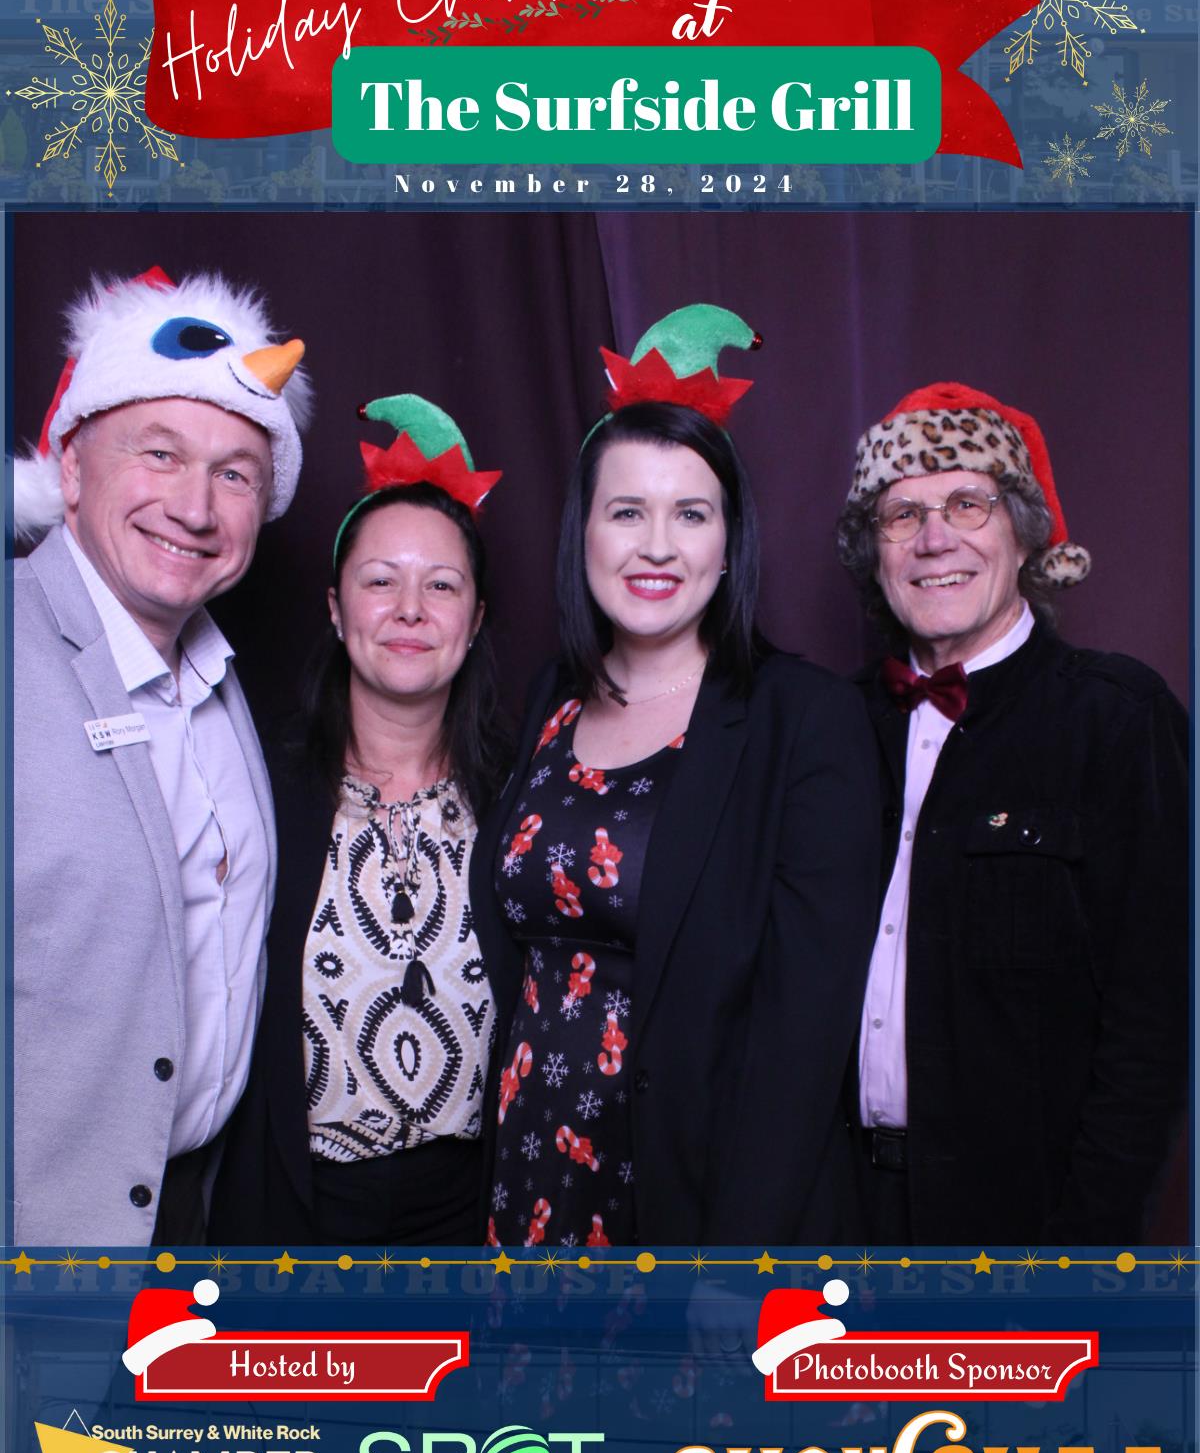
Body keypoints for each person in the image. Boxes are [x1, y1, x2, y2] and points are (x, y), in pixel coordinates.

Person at [473, 304, 880, 1249]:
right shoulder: (551, 701)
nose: (657, 545)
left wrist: (733, 1265)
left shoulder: (803, 720)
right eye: (627, 512)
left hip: (693, 1195)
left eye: (690, 515)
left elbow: (806, 1032)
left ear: (729, 544)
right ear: (584, 534)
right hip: (530, 1165)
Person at [836, 380, 1188, 1246]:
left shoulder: (1117, 717)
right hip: (839, 1215)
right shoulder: (831, 725)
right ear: (874, 554)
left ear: (1025, 533)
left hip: (1024, 1228)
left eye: (968, 503)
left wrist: (1084, 1249)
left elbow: (1155, 1021)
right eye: (902, 514)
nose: (934, 539)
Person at [13, 266, 310, 1248]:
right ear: (70, 466)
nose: (195, 507)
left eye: (235, 474)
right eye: (159, 453)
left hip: (190, 1216)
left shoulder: (218, 677)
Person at [210, 396, 508, 1246]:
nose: (410, 609)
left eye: (441, 585)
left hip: (471, 1216)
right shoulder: (256, 783)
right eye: (380, 581)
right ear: (337, 611)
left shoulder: (521, 795)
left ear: (474, 619)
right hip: (295, 1210)